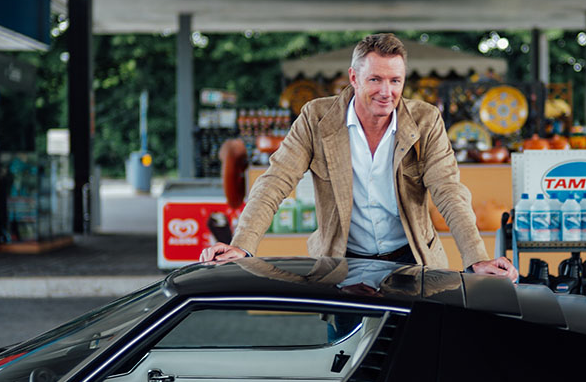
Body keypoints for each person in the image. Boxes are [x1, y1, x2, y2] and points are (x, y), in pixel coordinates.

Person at [200, 32, 517, 280]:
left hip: (412, 261)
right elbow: (275, 182)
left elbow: (449, 193)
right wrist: (242, 245)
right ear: (353, 78)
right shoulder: (316, 118)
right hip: (341, 264)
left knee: (411, 355)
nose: (386, 91)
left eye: (395, 81)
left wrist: (476, 257)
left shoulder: (426, 120)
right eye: (375, 79)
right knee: (346, 356)